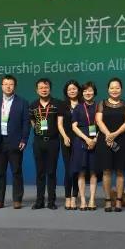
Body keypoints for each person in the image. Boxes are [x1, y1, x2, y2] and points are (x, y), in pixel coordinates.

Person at [0, 74, 30, 209]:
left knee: (16, 172)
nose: (8, 86)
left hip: (15, 142)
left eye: (11, 84)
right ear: (1, 86)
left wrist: (24, 139)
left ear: (14, 86)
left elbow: (26, 123)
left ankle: (17, 200)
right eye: (5, 84)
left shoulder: (22, 102)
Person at [96, 78, 125, 212]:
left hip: (121, 139)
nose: (114, 90)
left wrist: (115, 134)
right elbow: (99, 121)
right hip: (105, 140)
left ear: (121, 89)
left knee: (120, 171)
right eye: (112, 88)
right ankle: (107, 200)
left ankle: (118, 200)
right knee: (106, 171)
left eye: (117, 87)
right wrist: (108, 135)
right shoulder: (102, 103)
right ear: (108, 89)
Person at [29, 78, 60, 210]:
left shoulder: (57, 104)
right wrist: (38, 130)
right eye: (41, 88)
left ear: (50, 89)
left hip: (53, 141)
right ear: (37, 90)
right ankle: (39, 201)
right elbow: (32, 120)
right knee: (40, 172)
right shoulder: (33, 105)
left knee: (51, 172)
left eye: (46, 87)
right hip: (38, 141)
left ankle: (51, 201)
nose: (44, 90)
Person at [71, 81, 100, 211]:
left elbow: (102, 125)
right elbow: (74, 127)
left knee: (93, 171)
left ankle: (92, 199)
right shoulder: (78, 107)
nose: (88, 93)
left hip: (96, 141)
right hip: (81, 141)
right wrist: (87, 139)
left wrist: (95, 139)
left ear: (94, 92)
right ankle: (82, 200)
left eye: (90, 90)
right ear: (82, 93)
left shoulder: (99, 106)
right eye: (85, 91)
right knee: (81, 172)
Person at [57, 80, 81, 211]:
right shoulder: (62, 105)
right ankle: (67, 197)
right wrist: (65, 137)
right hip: (66, 139)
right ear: (66, 92)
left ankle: (74, 197)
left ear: (78, 90)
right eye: (69, 89)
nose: (72, 91)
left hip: (80, 140)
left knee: (77, 169)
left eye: (74, 88)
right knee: (68, 169)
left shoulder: (83, 104)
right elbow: (59, 124)